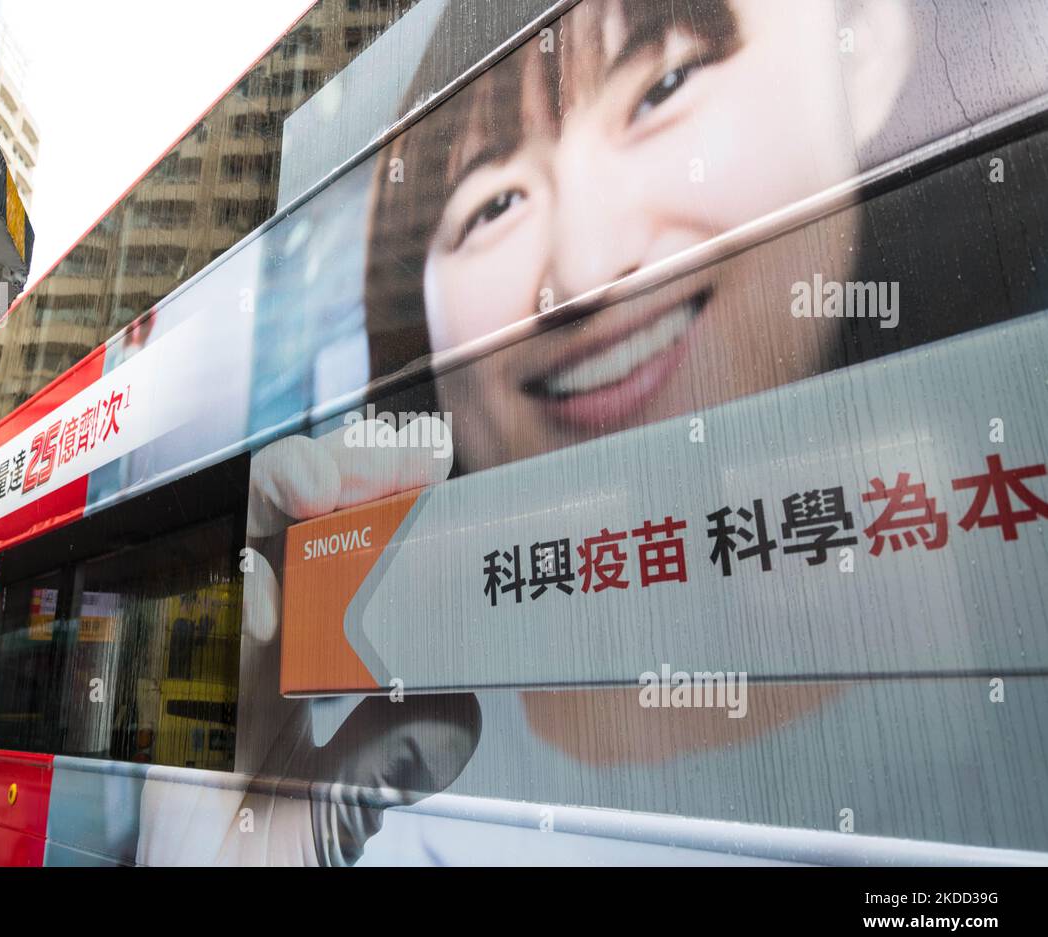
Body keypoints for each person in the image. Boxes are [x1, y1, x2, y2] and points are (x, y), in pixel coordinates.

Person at [139, 0, 1045, 864]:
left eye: (663, 87)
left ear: (866, 42)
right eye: (492, 205)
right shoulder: (386, 810)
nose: (581, 269)